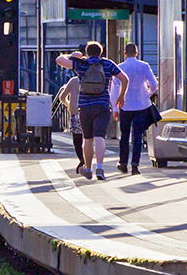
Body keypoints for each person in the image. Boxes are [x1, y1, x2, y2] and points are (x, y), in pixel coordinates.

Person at [55, 42, 129, 180]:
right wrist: (121, 96)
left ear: (87, 53)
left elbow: (59, 60)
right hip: (102, 106)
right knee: (99, 137)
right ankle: (100, 168)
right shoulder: (107, 64)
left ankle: (88, 169)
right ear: (100, 53)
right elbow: (124, 79)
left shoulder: (81, 64)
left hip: (85, 107)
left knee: (87, 139)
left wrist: (73, 55)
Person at [110, 43, 158, 175]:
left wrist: (114, 108)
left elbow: (114, 89)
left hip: (124, 106)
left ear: (124, 53)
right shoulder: (144, 66)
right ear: (136, 53)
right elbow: (154, 85)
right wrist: (146, 94)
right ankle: (135, 165)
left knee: (124, 136)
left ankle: (123, 163)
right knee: (138, 136)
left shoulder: (119, 67)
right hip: (141, 106)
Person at [55, 76, 85, 176]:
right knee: (88, 139)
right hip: (88, 112)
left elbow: (62, 97)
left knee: (77, 141)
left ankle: (82, 159)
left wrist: (68, 104)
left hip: (75, 114)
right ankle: (87, 160)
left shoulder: (73, 81)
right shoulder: (91, 78)